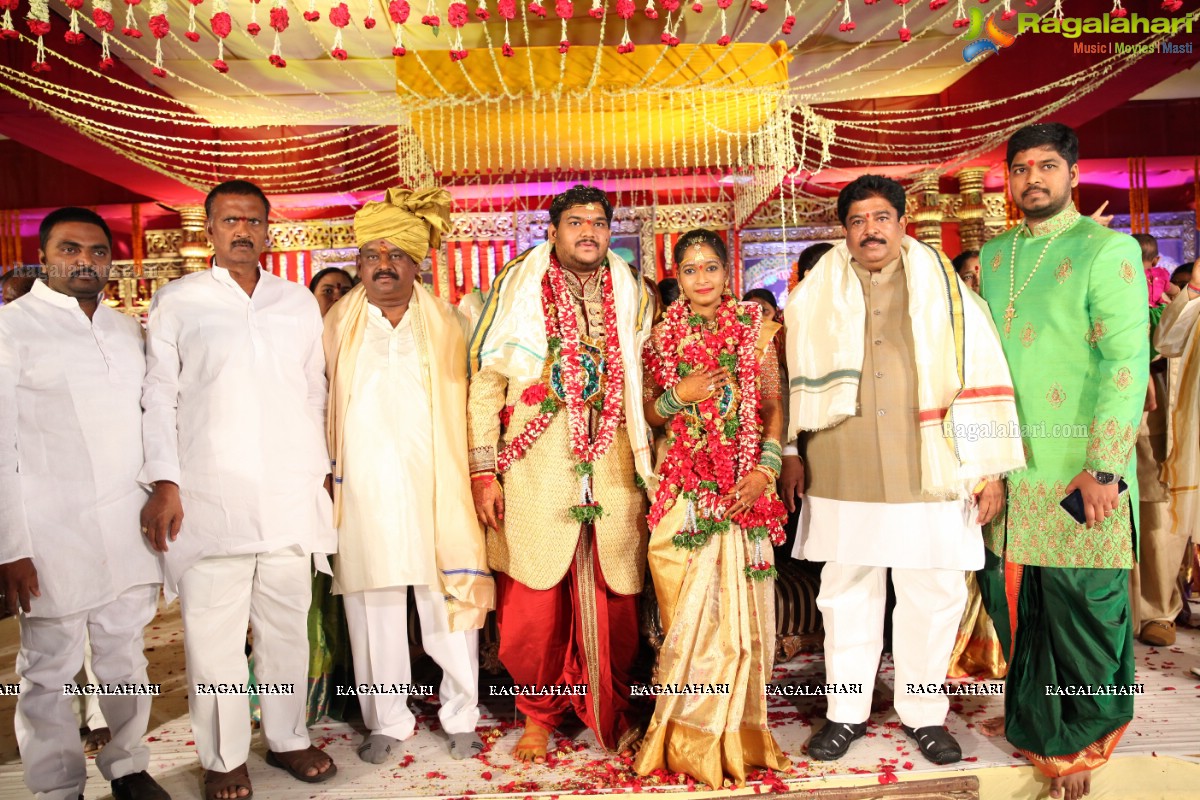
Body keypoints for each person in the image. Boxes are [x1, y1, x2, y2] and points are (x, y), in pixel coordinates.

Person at [781, 175, 1023, 766]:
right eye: (859, 220)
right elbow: (785, 377)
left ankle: (924, 714)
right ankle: (845, 714)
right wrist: (789, 450)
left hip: (932, 465)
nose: (871, 230)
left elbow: (983, 365)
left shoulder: (945, 287)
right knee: (845, 593)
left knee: (933, 593)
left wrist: (989, 469)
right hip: (844, 461)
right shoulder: (816, 290)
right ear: (845, 229)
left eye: (881, 217)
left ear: (900, 220)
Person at [140, 180, 338, 800]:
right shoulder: (178, 301)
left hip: (286, 490)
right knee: (214, 634)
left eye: (253, 220)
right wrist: (165, 482)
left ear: (268, 228)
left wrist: (320, 471)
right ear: (210, 229)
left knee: (285, 627)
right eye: (230, 220)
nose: (242, 230)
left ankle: (288, 738)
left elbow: (313, 391)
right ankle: (223, 756)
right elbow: (158, 396)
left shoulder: (294, 303)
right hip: (209, 493)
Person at [977, 123, 1148, 800]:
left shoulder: (1109, 250)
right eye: (1020, 169)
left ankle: (1082, 747)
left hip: (1081, 473)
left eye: (1047, 166)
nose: (1032, 180)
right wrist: (983, 465)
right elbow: (979, 368)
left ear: (1072, 174)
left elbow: (1125, 363)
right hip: (1013, 471)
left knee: (1085, 613)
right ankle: (1041, 734)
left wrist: (1105, 465)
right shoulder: (994, 256)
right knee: (1019, 611)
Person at [467, 184, 654, 762]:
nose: (589, 232)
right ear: (553, 231)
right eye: (576, 222)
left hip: (616, 464)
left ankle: (612, 707)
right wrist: (482, 470)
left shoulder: (636, 295)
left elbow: (651, 380)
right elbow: (486, 381)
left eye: (599, 222)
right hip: (534, 466)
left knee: (615, 600)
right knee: (534, 603)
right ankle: (538, 716)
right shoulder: (517, 289)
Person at [0, 208, 168, 800]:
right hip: (50, 529)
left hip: (126, 520)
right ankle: (56, 787)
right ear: (44, 256)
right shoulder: (11, 328)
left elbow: (153, 421)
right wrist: (10, 549)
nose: (85, 262)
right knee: (47, 669)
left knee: (125, 656)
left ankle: (128, 766)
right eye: (70, 249)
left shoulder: (127, 330)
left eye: (98, 252)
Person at [324, 187, 494, 764]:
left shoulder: (451, 322)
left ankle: (461, 711)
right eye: (371, 254)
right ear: (359, 265)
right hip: (365, 488)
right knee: (373, 607)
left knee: (445, 597)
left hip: (435, 486)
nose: (384, 265)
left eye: (396, 253)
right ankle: (386, 720)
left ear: (418, 262)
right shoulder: (335, 325)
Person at [634, 229, 790, 788]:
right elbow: (649, 415)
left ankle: (742, 733)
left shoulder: (756, 326)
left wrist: (765, 470)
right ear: (677, 276)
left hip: (745, 485)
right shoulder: (658, 338)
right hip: (684, 489)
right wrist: (682, 395)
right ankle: (687, 734)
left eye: (711, 268)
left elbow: (772, 402)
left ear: (728, 272)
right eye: (690, 269)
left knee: (744, 619)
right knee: (687, 616)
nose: (702, 278)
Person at [305, 267, 356, 725]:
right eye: (328, 290)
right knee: (312, 594)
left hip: (357, 484)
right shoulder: (300, 343)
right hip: (309, 484)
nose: (337, 296)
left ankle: (355, 689)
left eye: (345, 289)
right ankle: (308, 695)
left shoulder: (358, 341)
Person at [1129, 234, 1186, 647]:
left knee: (1154, 509)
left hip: (1155, 411)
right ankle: (1122, 608)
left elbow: (1168, 344)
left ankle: (1156, 610)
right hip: (1094, 415)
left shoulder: (1170, 301)